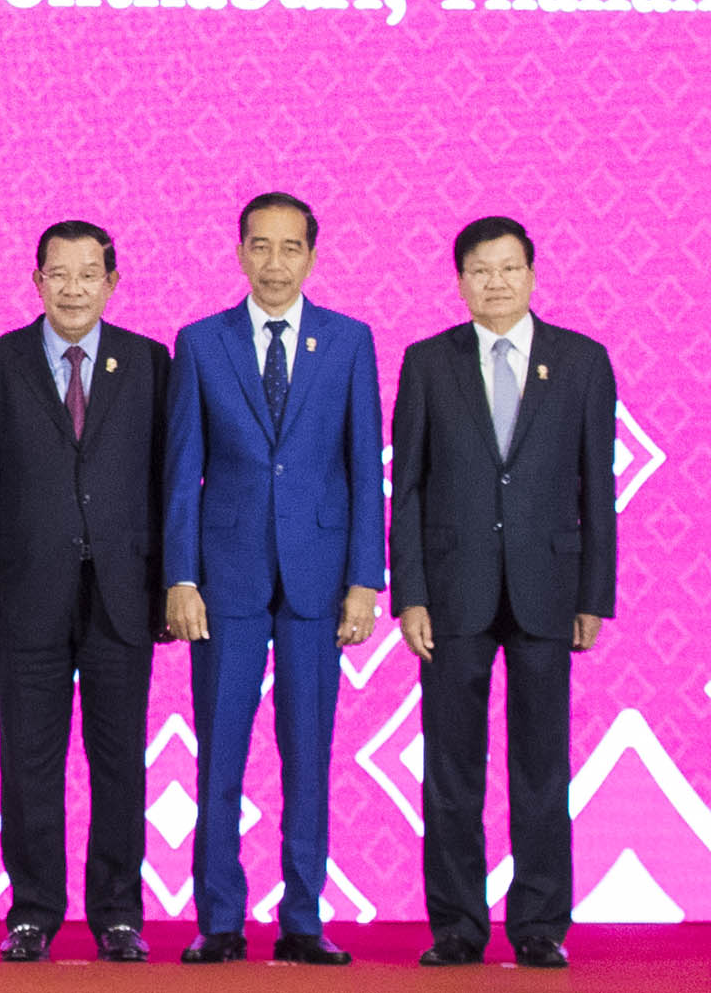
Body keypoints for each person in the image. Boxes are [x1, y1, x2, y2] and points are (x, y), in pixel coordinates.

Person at [162, 192, 385, 966]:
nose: (275, 262)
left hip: (319, 579)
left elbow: (364, 468)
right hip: (226, 579)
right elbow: (182, 469)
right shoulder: (201, 342)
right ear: (239, 253)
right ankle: (219, 920)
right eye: (261, 246)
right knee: (219, 755)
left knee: (309, 756)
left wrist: (365, 579)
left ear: (312, 257)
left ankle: (302, 919)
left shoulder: (349, 341)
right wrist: (180, 577)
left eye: (291, 248)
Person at [392, 217, 617, 969]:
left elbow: (597, 485)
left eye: (509, 268)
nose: (496, 282)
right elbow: (407, 486)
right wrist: (410, 593)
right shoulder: (428, 362)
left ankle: (540, 924)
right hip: (451, 592)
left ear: (532, 275)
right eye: (480, 270)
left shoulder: (581, 361)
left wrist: (594, 595)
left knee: (542, 766)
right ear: (459, 281)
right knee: (451, 768)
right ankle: (457, 925)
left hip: (548, 587)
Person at [0, 221, 172, 963]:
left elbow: (169, 482)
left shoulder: (150, 363)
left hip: (123, 593)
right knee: (28, 762)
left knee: (120, 762)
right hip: (23, 595)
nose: (74, 288)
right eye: (60, 274)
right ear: (37, 281)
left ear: (112, 283)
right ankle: (33, 912)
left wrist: (170, 584)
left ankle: (118, 914)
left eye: (89, 274)